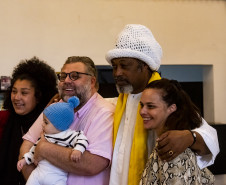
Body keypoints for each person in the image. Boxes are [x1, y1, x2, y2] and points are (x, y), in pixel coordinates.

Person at [105, 24, 219, 185]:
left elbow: (210, 137)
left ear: (144, 65)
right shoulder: (118, 103)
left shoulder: (167, 97)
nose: (117, 73)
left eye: (124, 65)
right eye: (114, 67)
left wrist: (189, 137)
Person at [19, 56, 115, 185]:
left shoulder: (104, 112)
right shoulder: (56, 107)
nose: (66, 81)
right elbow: (27, 143)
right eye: (63, 76)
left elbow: (93, 164)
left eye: (75, 76)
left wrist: (44, 148)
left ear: (92, 82)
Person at [139, 78, 214, 185]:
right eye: (142, 105)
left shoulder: (173, 150)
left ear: (171, 108)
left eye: (151, 106)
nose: (142, 111)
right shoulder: (167, 143)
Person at [0, 57, 58, 185]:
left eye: (24, 93)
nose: (16, 97)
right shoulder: (4, 120)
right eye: (14, 91)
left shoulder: (50, 126)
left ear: (38, 97)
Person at [17, 96, 88, 185]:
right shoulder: (45, 136)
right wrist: (24, 160)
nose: (42, 125)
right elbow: (33, 150)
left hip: (57, 177)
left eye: (46, 122)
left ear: (59, 125)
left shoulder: (69, 135)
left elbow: (83, 139)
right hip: (38, 173)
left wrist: (78, 150)